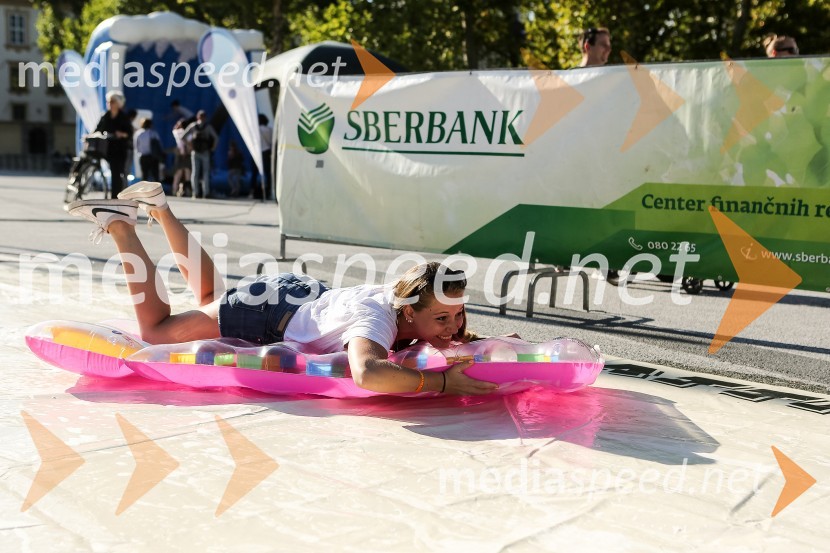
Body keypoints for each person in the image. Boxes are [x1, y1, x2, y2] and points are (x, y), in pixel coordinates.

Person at [66, 184, 499, 395]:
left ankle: (160, 209)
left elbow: (451, 328)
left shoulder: (412, 295)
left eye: (457, 314)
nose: (453, 324)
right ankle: (121, 224)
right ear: (407, 313)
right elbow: (368, 373)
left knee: (209, 300)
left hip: (301, 296)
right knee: (158, 328)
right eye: (442, 318)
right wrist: (444, 387)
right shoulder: (379, 318)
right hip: (271, 311)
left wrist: (476, 338)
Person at [94, 91, 133, 196]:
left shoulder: (123, 117)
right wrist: (91, 135)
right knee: (113, 171)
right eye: (108, 102)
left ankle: (115, 198)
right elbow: (97, 129)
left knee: (117, 173)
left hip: (120, 149)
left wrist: (122, 134)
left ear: (118, 103)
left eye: (112, 102)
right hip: (107, 148)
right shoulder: (105, 116)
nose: (110, 104)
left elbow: (129, 133)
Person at [182, 110, 218, 199]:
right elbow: (216, 138)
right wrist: (213, 148)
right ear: (205, 117)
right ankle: (206, 193)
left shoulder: (193, 126)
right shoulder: (208, 127)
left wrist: (190, 146)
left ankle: (196, 193)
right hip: (205, 151)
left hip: (195, 151)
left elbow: (183, 137)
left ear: (198, 117)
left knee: (195, 173)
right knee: (206, 172)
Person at [251, 114, 273, 200]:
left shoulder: (256, 130)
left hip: (257, 152)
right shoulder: (269, 130)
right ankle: (269, 191)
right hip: (266, 152)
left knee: (255, 173)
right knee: (268, 173)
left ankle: (253, 191)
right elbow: (271, 142)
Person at [133, 117, 162, 183]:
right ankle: (156, 192)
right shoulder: (153, 133)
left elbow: (136, 146)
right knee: (155, 176)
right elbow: (159, 145)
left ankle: (144, 192)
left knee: (144, 176)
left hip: (143, 157)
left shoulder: (138, 133)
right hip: (153, 157)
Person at [171, 118, 192, 197]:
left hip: (179, 154)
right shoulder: (188, 134)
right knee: (187, 173)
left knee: (178, 174)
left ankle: (174, 190)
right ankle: (188, 191)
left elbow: (174, 129)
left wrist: (177, 125)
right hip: (187, 155)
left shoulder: (177, 132)